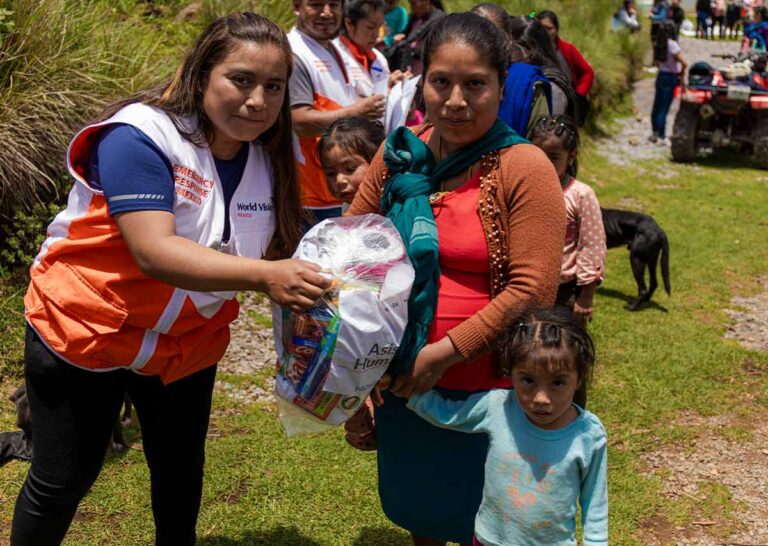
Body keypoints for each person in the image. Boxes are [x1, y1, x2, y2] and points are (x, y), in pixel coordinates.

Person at [10, 12, 331, 546]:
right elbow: (154, 251)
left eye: (274, 87)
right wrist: (266, 276)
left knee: (180, 471)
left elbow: (282, 248)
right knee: (63, 478)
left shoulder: (269, 155)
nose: (258, 100)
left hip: (186, 344)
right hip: (87, 330)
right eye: (242, 80)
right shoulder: (140, 136)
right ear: (203, 74)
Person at [347, 12, 566, 545]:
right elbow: (349, 252)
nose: (456, 100)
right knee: (423, 512)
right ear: (422, 79)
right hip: (400, 378)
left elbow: (533, 289)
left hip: (488, 390)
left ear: (500, 85)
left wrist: (443, 353)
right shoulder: (400, 153)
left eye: (475, 84)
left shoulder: (524, 166)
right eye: (441, 81)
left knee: (486, 520)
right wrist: (357, 379)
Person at [406, 306, 608, 546]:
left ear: (579, 379)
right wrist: (409, 392)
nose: (541, 398)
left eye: (557, 382)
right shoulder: (498, 407)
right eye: (528, 380)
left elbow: (594, 501)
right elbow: (449, 414)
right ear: (510, 372)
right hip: (488, 539)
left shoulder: (589, 434)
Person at [530, 115, 606, 409]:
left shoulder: (580, 195)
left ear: (571, 156)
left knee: (567, 356)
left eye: (554, 157)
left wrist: (586, 294)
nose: (546, 163)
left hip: (566, 293)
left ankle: (573, 414)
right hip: (531, 288)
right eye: (538, 155)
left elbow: (592, 244)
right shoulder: (524, 188)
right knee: (530, 352)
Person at [289, 0, 386, 223]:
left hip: (339, 191)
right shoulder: (295, 53)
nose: (327, 13)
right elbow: (299, 121)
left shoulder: (333, 48)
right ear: (297, 6)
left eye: (333, 5)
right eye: (316, 4)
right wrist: (357, 112)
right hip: (310, 195)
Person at [472, 3, 553, 137]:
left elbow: (540, 143)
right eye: (472, 35)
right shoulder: (450, 79)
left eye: (491, 35)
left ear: (508, 40)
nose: (482, 43)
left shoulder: (527, 85)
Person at [335, 0, 409, 102]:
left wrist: (394, 86)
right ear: (348, 23)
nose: (376, 35)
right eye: (370, 27)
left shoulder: (379, 58)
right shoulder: (333, 56)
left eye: (379, 27)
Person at [509, 15, 576, 120]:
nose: (514, 53)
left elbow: (549, 130)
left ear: (532, 49)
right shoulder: (506, 73)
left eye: (519, 47)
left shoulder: (551, 86)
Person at [536, 10, 595, 124]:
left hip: (567, 105)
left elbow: (587, 72)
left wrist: (579, 95)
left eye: (549, 28)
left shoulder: (568, 49)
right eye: (541, 27)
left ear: (556, 29)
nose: (545, 32)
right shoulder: (531, 51)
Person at [317, 116, 385, 206]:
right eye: (330, 173)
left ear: (377, 162)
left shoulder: (397, 207)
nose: (340, 180)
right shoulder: (348, 208)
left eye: (350, 169)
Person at [651, 20, 687, 143]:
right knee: (664, 108)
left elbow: (655, 63)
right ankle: (661, 134)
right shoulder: (672, 45)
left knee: (657, 105)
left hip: (661, 75)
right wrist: (682, 74)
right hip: (671, 76)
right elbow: (684, 62)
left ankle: (655, 131)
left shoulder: (658, 43)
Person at [391, 0, 446, 74]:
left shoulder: (439, 20)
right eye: (410, 4)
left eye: (413, 4)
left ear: (426, 2)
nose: (411, 8)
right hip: (409, 68)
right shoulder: (415, 18)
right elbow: (407, 34)